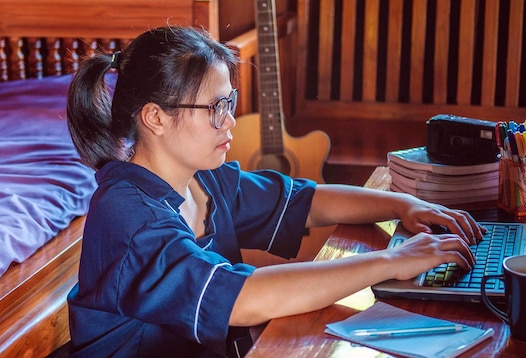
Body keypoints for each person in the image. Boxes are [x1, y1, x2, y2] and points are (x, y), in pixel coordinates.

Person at [65, 26, 484, 358]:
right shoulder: (127, 215)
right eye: (215, 109)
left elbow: (307, 202)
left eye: (229, 102)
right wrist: (393, 259)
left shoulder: (203, 179)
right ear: (155, 117)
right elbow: (241, 299)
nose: (230, 122)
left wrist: (405, 204)